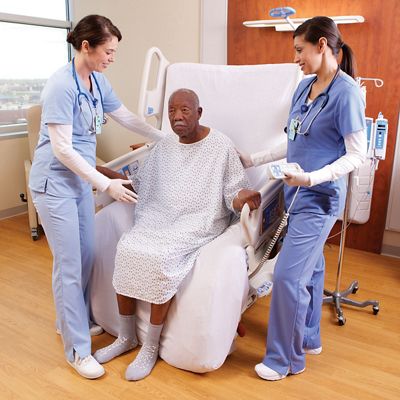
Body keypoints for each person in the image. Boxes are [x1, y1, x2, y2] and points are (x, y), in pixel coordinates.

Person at [29, 15, 166, 379]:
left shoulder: (96, 81)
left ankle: (67, 320)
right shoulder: (62, 85)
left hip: (77, 182)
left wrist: (164, 138)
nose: (112, 57)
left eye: (114, 51)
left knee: (86, 255)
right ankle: (77, 349)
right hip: (53, 183)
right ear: (86, 46)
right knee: (70, 264)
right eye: (108, 50)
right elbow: (62, 150)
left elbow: (125, 117)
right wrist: (106, 184)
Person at [93, 88, 261, 381]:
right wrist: (106, 175)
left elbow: (232, 193)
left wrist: (243, 197)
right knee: (128, 247)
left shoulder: (220, 146)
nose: (177, 117)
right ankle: (126, 336)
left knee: (161, 257)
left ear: (199, 112)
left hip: (199, 220)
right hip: (160, 217)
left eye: (184, 110)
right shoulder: (166, 145)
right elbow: (142, 183)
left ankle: (150, 345)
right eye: (172, 111)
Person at [239, 17, 367, 380]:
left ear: (322, 45)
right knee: (311, 267)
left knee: (286, 277)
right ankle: (309, 337)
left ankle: (285, 360)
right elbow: (295, 140)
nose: (296, 58)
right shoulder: (304, 88)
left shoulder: (347, 93)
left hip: (320, 197)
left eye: (300, 50)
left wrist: (311, 177)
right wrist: (256, 158)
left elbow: (357, 155)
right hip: (294, 191)